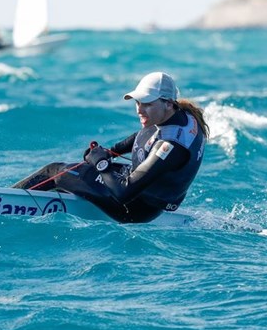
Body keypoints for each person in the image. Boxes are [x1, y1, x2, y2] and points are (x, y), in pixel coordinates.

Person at [12, 72, 209, 223]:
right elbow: (144, 135)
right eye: (137, 102)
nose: (139, 110)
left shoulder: (171, 147)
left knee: (55, 171)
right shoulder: (182, 116)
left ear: (168, 104)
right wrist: (111, 151)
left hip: (135, 208)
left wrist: (101, 163)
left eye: (147, 104)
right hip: (150, 195)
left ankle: (5, 201)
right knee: (79, 173)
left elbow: (124, 193)